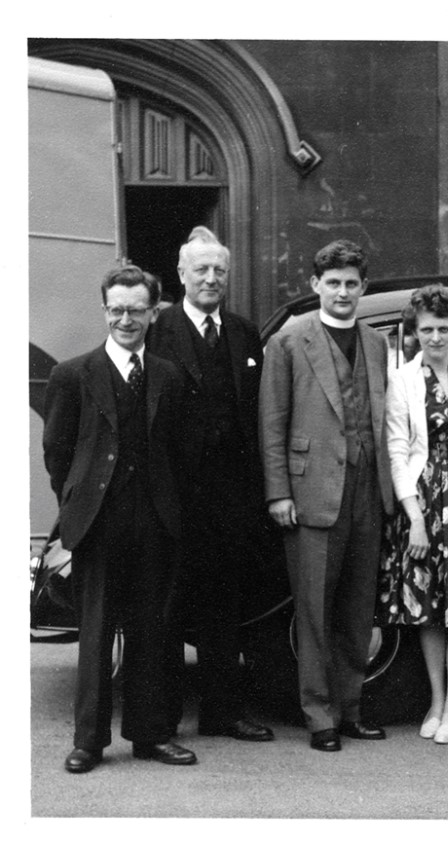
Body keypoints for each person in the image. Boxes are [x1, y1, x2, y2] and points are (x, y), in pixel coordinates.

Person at [43, 265, 196, 773]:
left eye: (136, 310)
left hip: (154, 523)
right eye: (117, 309)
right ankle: (88, 741)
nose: (125, 319)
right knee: (96, 635)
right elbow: (57, 453)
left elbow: (179, 452)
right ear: (104, 310)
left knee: (152, 632)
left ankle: (151, 736)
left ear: (154, 313)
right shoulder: (72, 375)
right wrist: (75, 511)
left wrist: (168, 508)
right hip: (98, 526)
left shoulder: (170, 376)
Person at [259, 239, 394, 752]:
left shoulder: (376, 343)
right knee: (314, 609)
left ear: (363, 288)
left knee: (359, 609)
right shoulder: (290, 342)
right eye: (332, 283)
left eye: (351, 284)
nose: (342, 292)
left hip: (366, 489)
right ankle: (319, 716)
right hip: (310, 490)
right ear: (316, 286)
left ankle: (352, 707)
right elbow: (271, 422)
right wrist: (278, 492)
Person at [146, 227, 274, 744]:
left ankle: (224, 713)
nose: (211, 278)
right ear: (181, 275)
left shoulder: (244, 334)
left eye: (219, 270)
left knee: (226, 612)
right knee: (169, 615)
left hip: (231, 501)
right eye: (200, 269)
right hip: (174, 499)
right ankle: (163, 723)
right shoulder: (158, 331)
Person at [382, 284, 448, 745]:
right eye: (426, 330)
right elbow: (398, 448)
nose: (436, 337)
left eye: (444, 329)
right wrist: (416, 517)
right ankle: (434, 697)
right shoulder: (402, 379)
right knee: (426, 604)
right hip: (422, 499)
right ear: (414, 331)